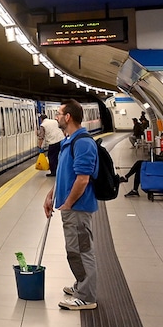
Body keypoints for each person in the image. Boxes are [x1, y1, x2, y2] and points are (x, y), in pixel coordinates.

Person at [43, 99, 99, 311]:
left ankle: (86, 297)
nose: (56, 117)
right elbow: (64, 176)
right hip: (70, 207)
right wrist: (51, 196)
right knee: (73, 250)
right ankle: (81, 285)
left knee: (82, 250)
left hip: (78, 208)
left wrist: (67, 204)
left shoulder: (82, 143)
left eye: (58, 114)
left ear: (68, 117)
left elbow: (83, 179)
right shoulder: (69, 141)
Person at [122, 130, 163, 197]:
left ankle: (127, 178)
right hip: (161, 165)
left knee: (139, 164)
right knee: (139, 167)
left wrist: (156, 157)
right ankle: (133, 188)